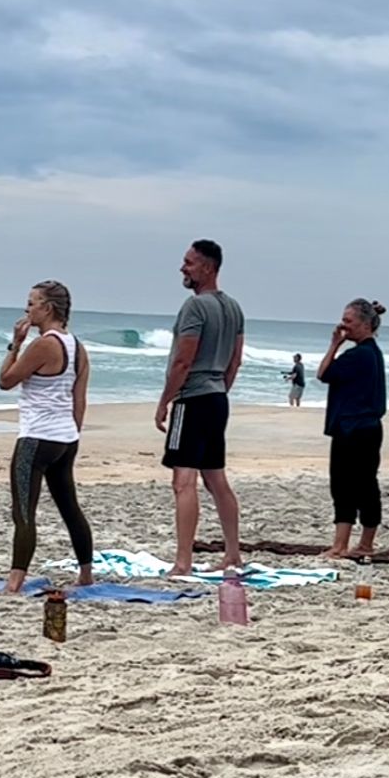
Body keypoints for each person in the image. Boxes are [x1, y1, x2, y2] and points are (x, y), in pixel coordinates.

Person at [0, 280, 94, 594]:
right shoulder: (77, 347)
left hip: (36, 437)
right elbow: (79, 398)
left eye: (32, 303)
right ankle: (86, 573)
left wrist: (15, 343)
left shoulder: (42, 345)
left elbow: (5, 381)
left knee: (23, 511)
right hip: (65, 438)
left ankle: (14, 582)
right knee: (69, 506)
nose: (27, 309)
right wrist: (72, 432)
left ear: (47, 308)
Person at [156, 239, 245, 573]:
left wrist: (165, 401)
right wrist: (221, 390)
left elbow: (183, 359)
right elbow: (235, 361)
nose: (183, 268)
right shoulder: (234, 307)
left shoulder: (195, 308)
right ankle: (232, 553)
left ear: (207, 268)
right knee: (215, 478)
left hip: (192, 398)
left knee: (183, 481)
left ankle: (183, 561)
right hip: (217, 397)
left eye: (189, 262)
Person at [318, 299, 389, 557]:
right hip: (362, 427)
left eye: (349, 321)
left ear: (365, 324)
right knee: (361, 484)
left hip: (355, 428)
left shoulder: (359, 354)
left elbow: (323, 373)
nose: (343, 325)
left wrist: (334, 344)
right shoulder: (371, 352)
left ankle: (348, 544)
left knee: (349, 486)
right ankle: (356, 543)